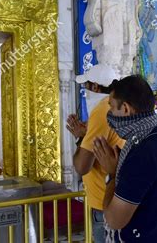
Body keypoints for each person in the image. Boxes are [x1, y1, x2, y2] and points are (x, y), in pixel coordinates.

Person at [93, 75, 157, 243]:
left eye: (112, 107)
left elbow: (114, 220)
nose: (110, 114)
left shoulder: (143, 152)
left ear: (126, 109)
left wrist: (113, 175)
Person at [66, 64, 124, 243]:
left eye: (86, 86)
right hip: (120, 197)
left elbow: (82, 167)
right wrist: (86, 135)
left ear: (95, 87)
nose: (85, 91)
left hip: (104, 202)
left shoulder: (101, 110)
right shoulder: (118, 106)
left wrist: (79, 139)